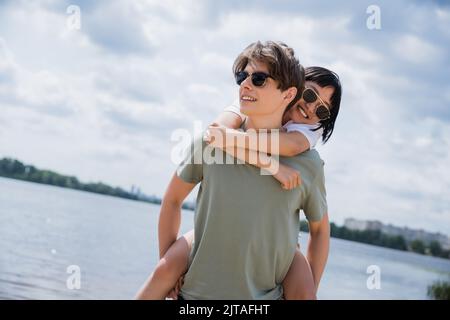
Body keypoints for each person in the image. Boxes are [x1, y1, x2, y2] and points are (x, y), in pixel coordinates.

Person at [136, 41, 334, 300]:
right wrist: (170, 269)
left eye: (260, 79)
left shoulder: (308, 162)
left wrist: (309, 285)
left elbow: (320, 232)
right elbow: (172, 199)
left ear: (288, 94)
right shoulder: (211, 141)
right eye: (242, 76)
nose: (245, 84)